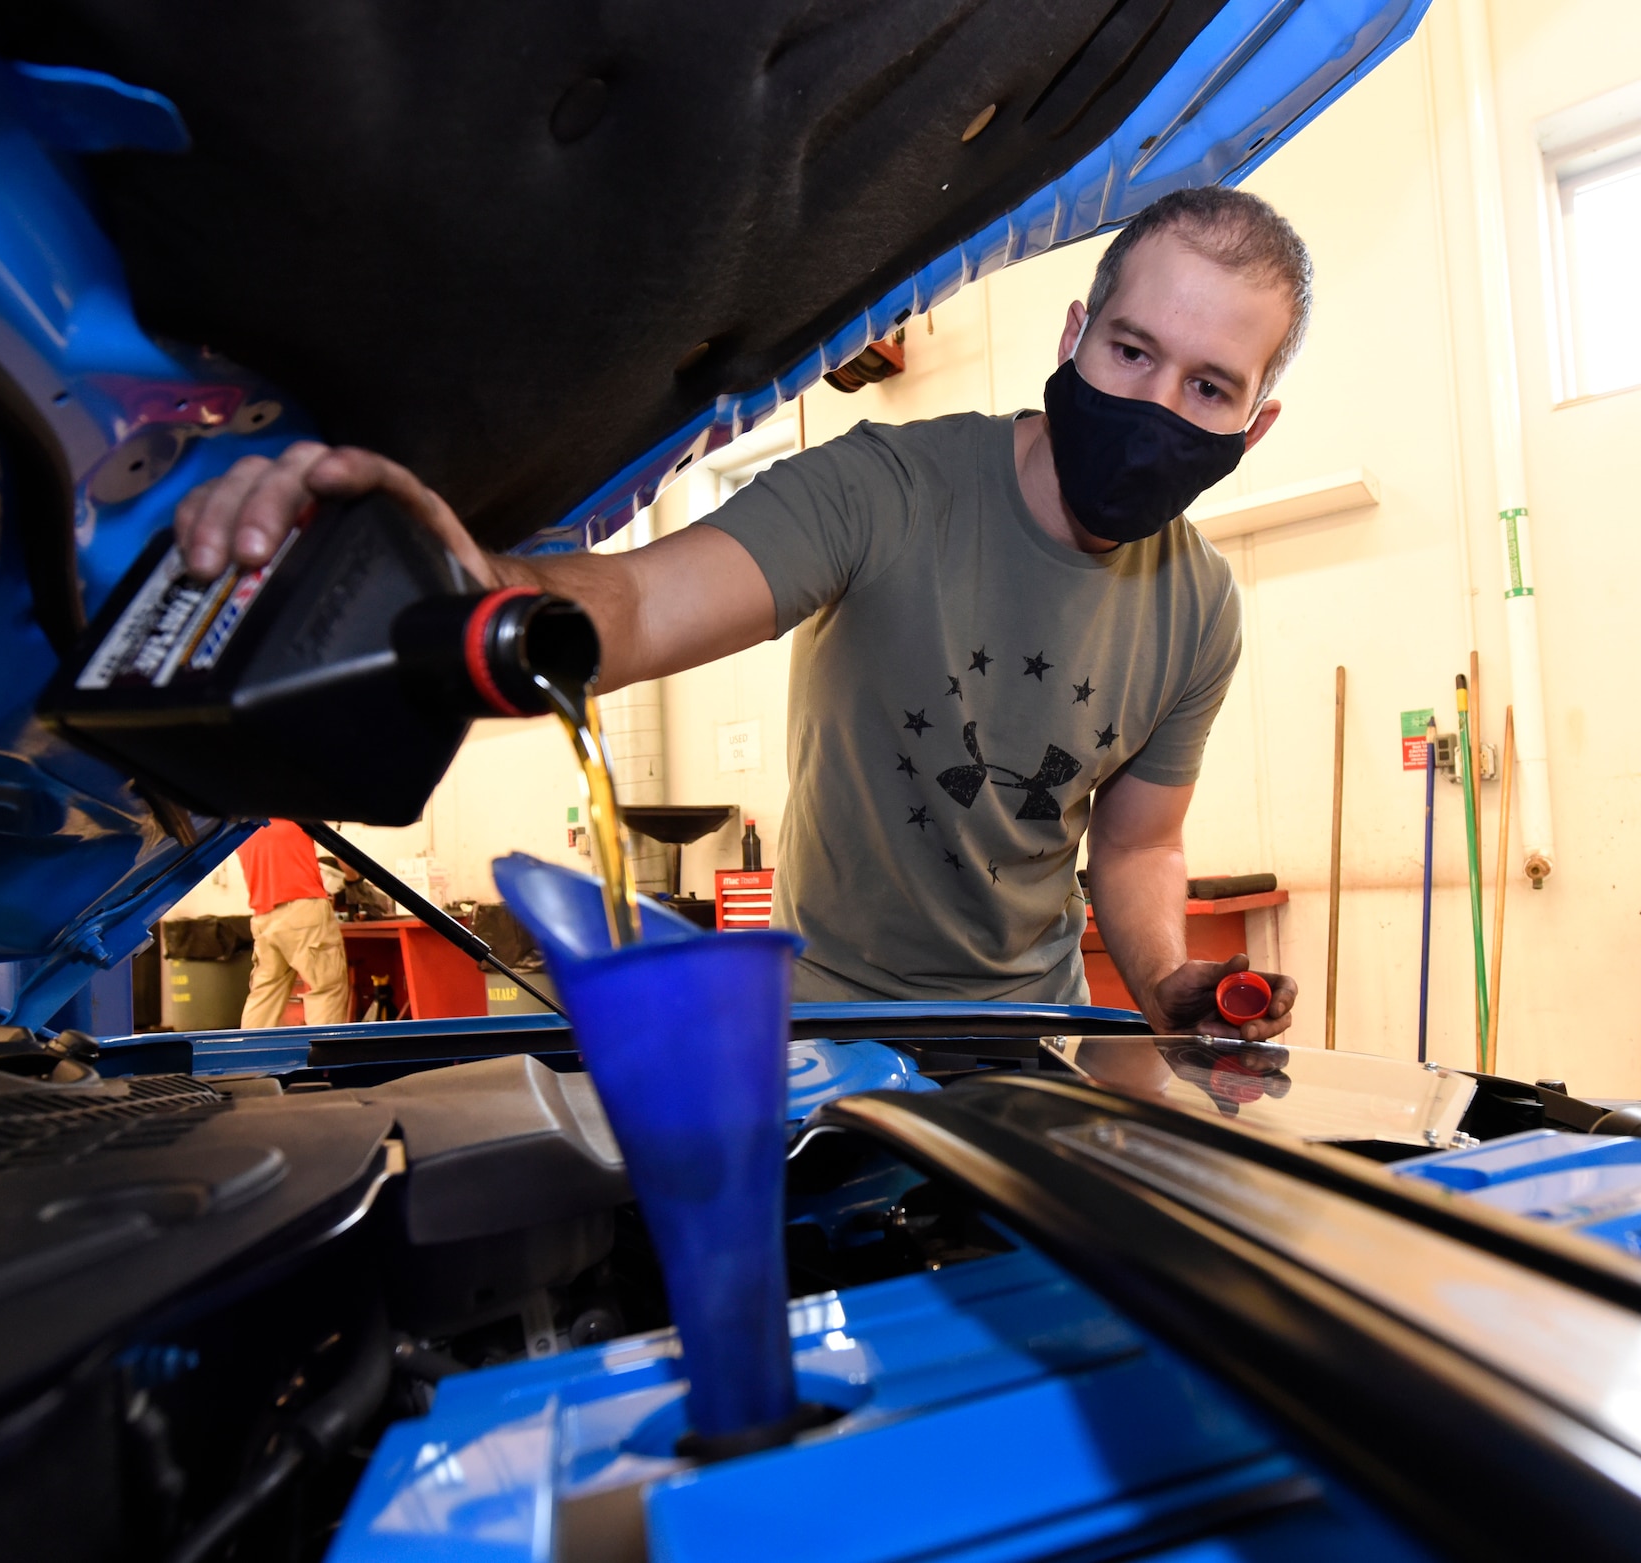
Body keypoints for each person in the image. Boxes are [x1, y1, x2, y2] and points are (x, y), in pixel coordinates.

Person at [179, 188, 1305, 1041]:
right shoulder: (885, 491)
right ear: (1073, 338)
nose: (1153, 405)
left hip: (1030, 1032)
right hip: (827, 1026)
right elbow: (632, 604)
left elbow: (1139, 842)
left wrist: (1162, 983)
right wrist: (425, 574)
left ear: (1251, 426)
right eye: (1129, 351)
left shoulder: (1197, 606)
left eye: (1206, 387)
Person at [236, 819, 352, 1028]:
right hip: (304, 911)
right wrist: (354, 879)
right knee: (326, 987)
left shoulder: (243, 824)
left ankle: (248, 1053)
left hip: (263, 918)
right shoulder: (298, 813)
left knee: (265, 993)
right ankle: (324, 1054)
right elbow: (342, 853)